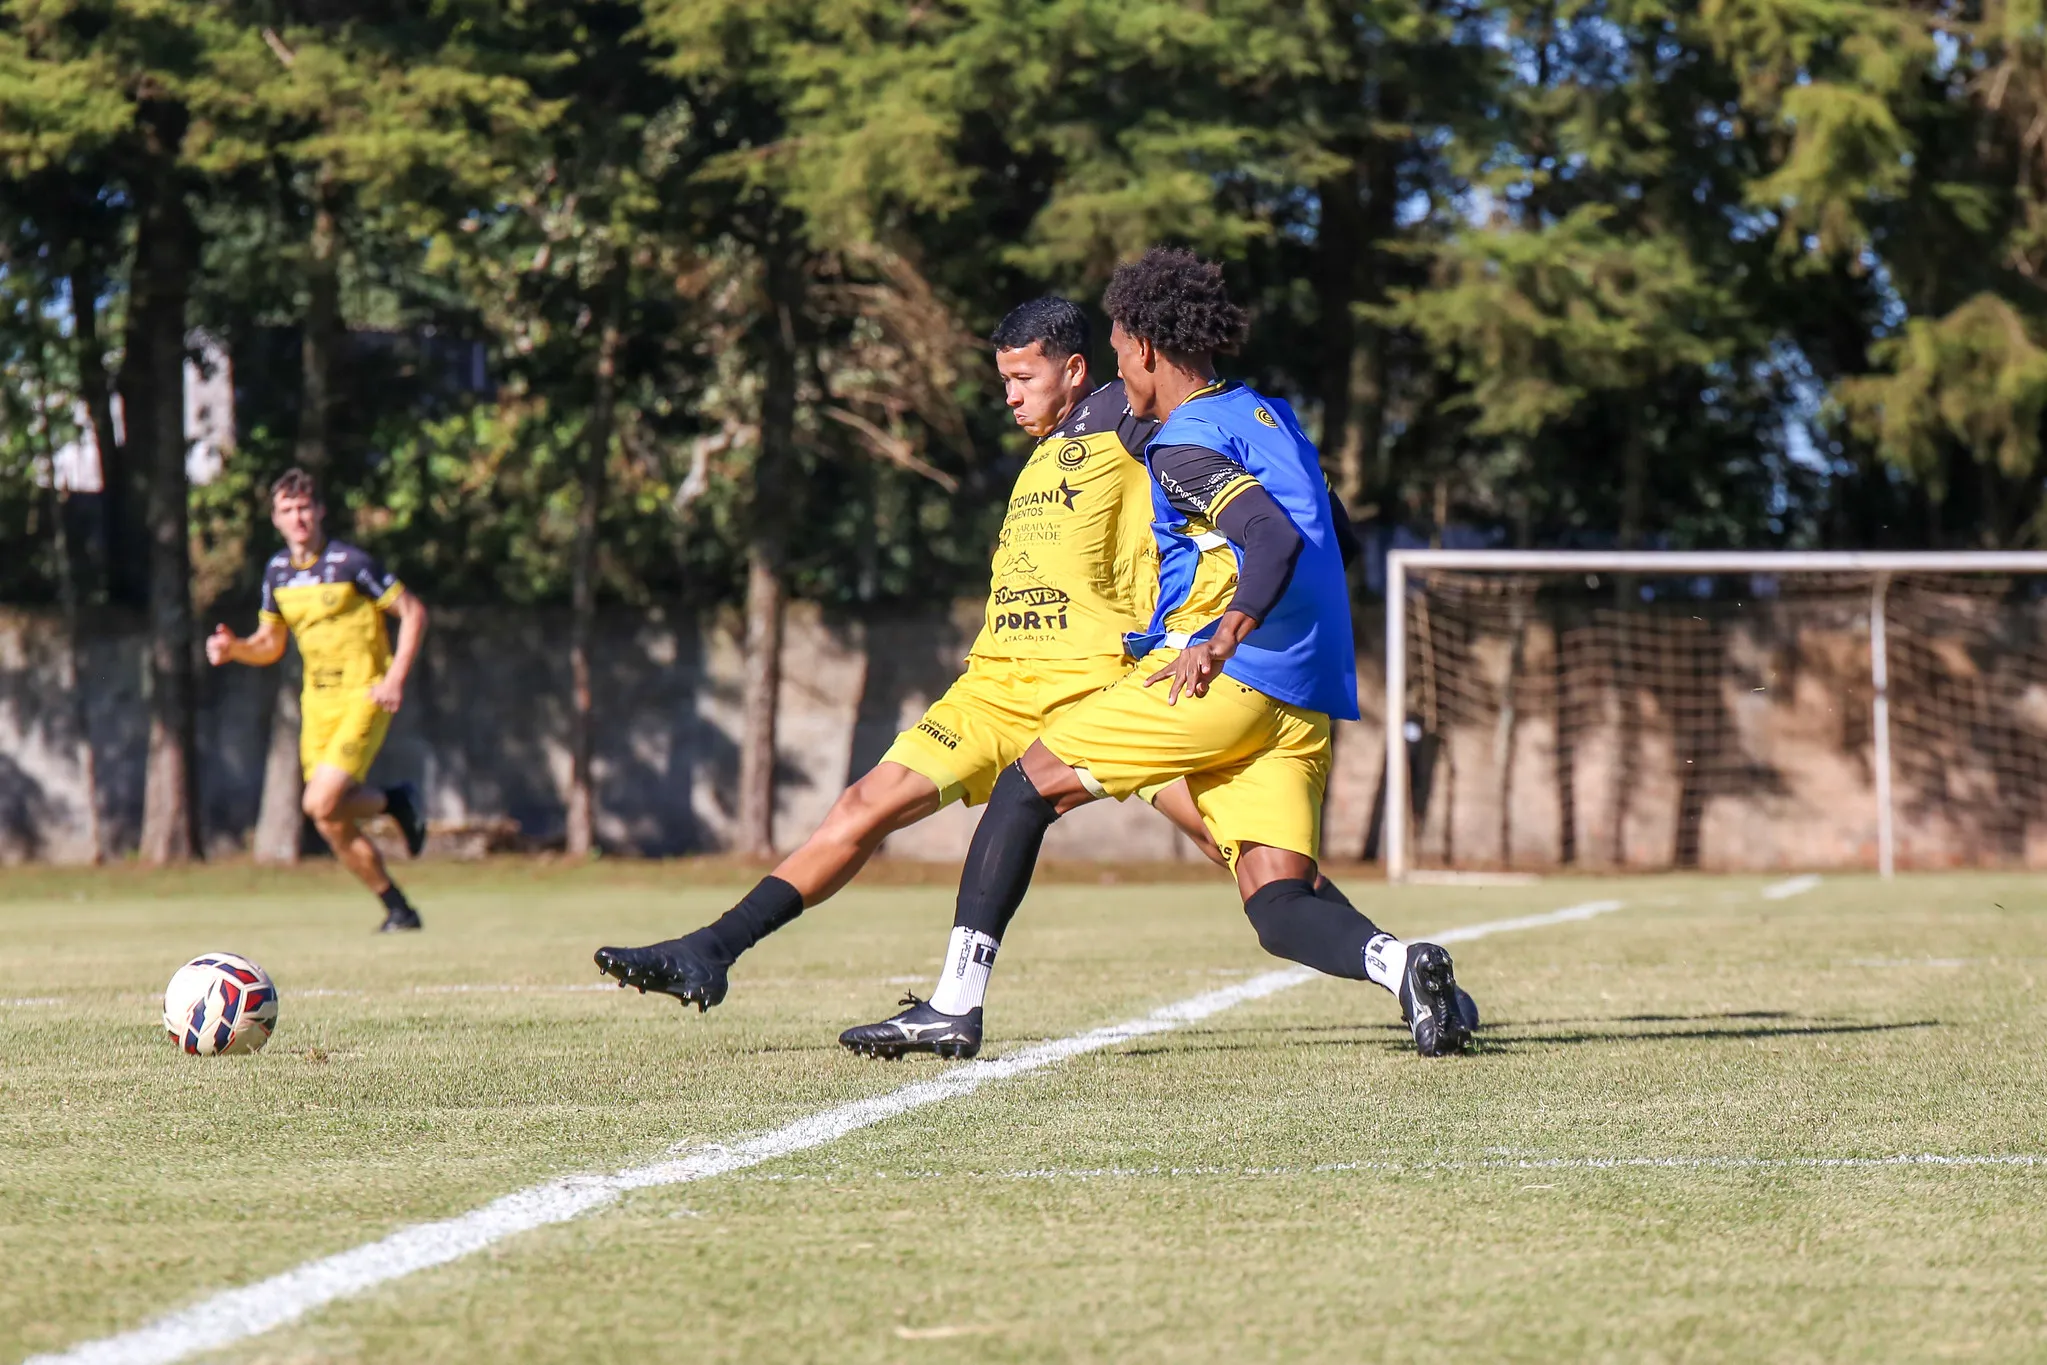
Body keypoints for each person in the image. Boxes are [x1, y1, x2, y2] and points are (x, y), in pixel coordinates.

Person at [840, 248, 1475, 1061]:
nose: (1115, 372)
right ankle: (1404, 966)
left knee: (1025, 787)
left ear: (1142, 349)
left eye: (1114, 354)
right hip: (1302, 700)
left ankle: (952, 1005)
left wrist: (1226, 630)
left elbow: (1270, 537)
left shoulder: (1183, 448)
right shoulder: (1269, 417)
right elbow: (1330, 534)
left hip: (1219, 677)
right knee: (1277, 905)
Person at [593, 296, 1247, 1009]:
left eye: (1024, 378)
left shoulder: (1128, 416)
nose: (1010, 396)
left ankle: (1372, 953)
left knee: (1228, 836)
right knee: (863, 803)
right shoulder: (1038, 457)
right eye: (1003, 380)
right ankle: (711, 950)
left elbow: (1207, 410)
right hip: (993, 687)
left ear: (1076, 369)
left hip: (1092, 684)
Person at [206, 468, 431, 932]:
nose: (298, 518)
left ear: (320, 511)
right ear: (275, 518)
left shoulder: (351, 563)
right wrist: (235, 650)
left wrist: (395, 678)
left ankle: (394, 802)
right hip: (318, 707)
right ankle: (397, 908)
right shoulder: (277, 573)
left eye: (304, 507)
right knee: (329, 820)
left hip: (364, 695)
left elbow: (413, 612)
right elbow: (270, 645)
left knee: (319, 803)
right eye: (287, 510)